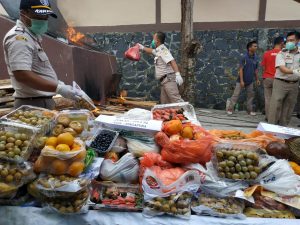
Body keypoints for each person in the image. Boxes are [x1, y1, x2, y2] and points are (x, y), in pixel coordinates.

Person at [3, 0, 79, 110]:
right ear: (24, 13)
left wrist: (57, 83)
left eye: (46, 17)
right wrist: (58, 88)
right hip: (32, 105)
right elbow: (22, 74)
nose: (44, 20)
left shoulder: (32, 37)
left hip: (39, 102)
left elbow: (37, 70)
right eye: (39, 16)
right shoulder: (19, 38)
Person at [137, 32, 184, 104]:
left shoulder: (163, 50)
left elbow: (172, 61)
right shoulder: (159, 50)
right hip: (164, 81)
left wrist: (178, 74)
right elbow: (152, 51)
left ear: (157, 40)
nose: (152, 41)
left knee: (176, 99)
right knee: (164, 103)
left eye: (153, 39)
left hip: (168, 79)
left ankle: (187, 114)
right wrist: (142, 47)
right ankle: (170, 115)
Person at [268, 31, 300, 126]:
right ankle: (271, 129)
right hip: (280, 82)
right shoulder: (282, 53)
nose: (289, 42)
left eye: (292, 40)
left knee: (289, 107)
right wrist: (295, 71)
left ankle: (283, 128)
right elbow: (282, 68)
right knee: (275, 106)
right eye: (288, 40)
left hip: (294, 84)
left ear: (298, 41)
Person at [226, 40, 260, 115]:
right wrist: (241, 81)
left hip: (250, 81)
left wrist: (257, 79)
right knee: (236, 95)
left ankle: (249, 110)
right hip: (240, 80)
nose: (256, 47)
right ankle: (230, 109)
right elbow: (240, 69)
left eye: (256, 46)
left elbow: (256, 70)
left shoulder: (256, 58)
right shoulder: (244, 57)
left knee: (250, 96)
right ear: (249, 48)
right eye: (254, 46)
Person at [261, 36, 285, 120]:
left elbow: (263, 67)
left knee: (268, 99)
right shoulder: (283, 54)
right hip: (278, 79)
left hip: (267, 78)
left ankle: (268, 117)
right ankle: (276, 118)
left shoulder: (266, 53)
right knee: (278, 99)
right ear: (282, 43)